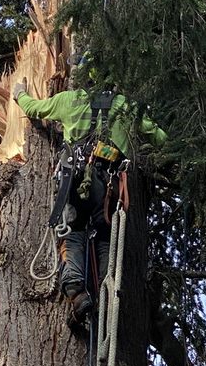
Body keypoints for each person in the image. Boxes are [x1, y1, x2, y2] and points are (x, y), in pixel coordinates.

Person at [13, 71, 166, 328]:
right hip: (109, 188)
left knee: (72, 233)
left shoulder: (69, 100)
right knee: (106, 237)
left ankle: (77, 293)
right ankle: (106, 294)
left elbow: (34, 108)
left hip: (74, 181)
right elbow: (160, 137)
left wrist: (19, 93)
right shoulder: (127, 106)